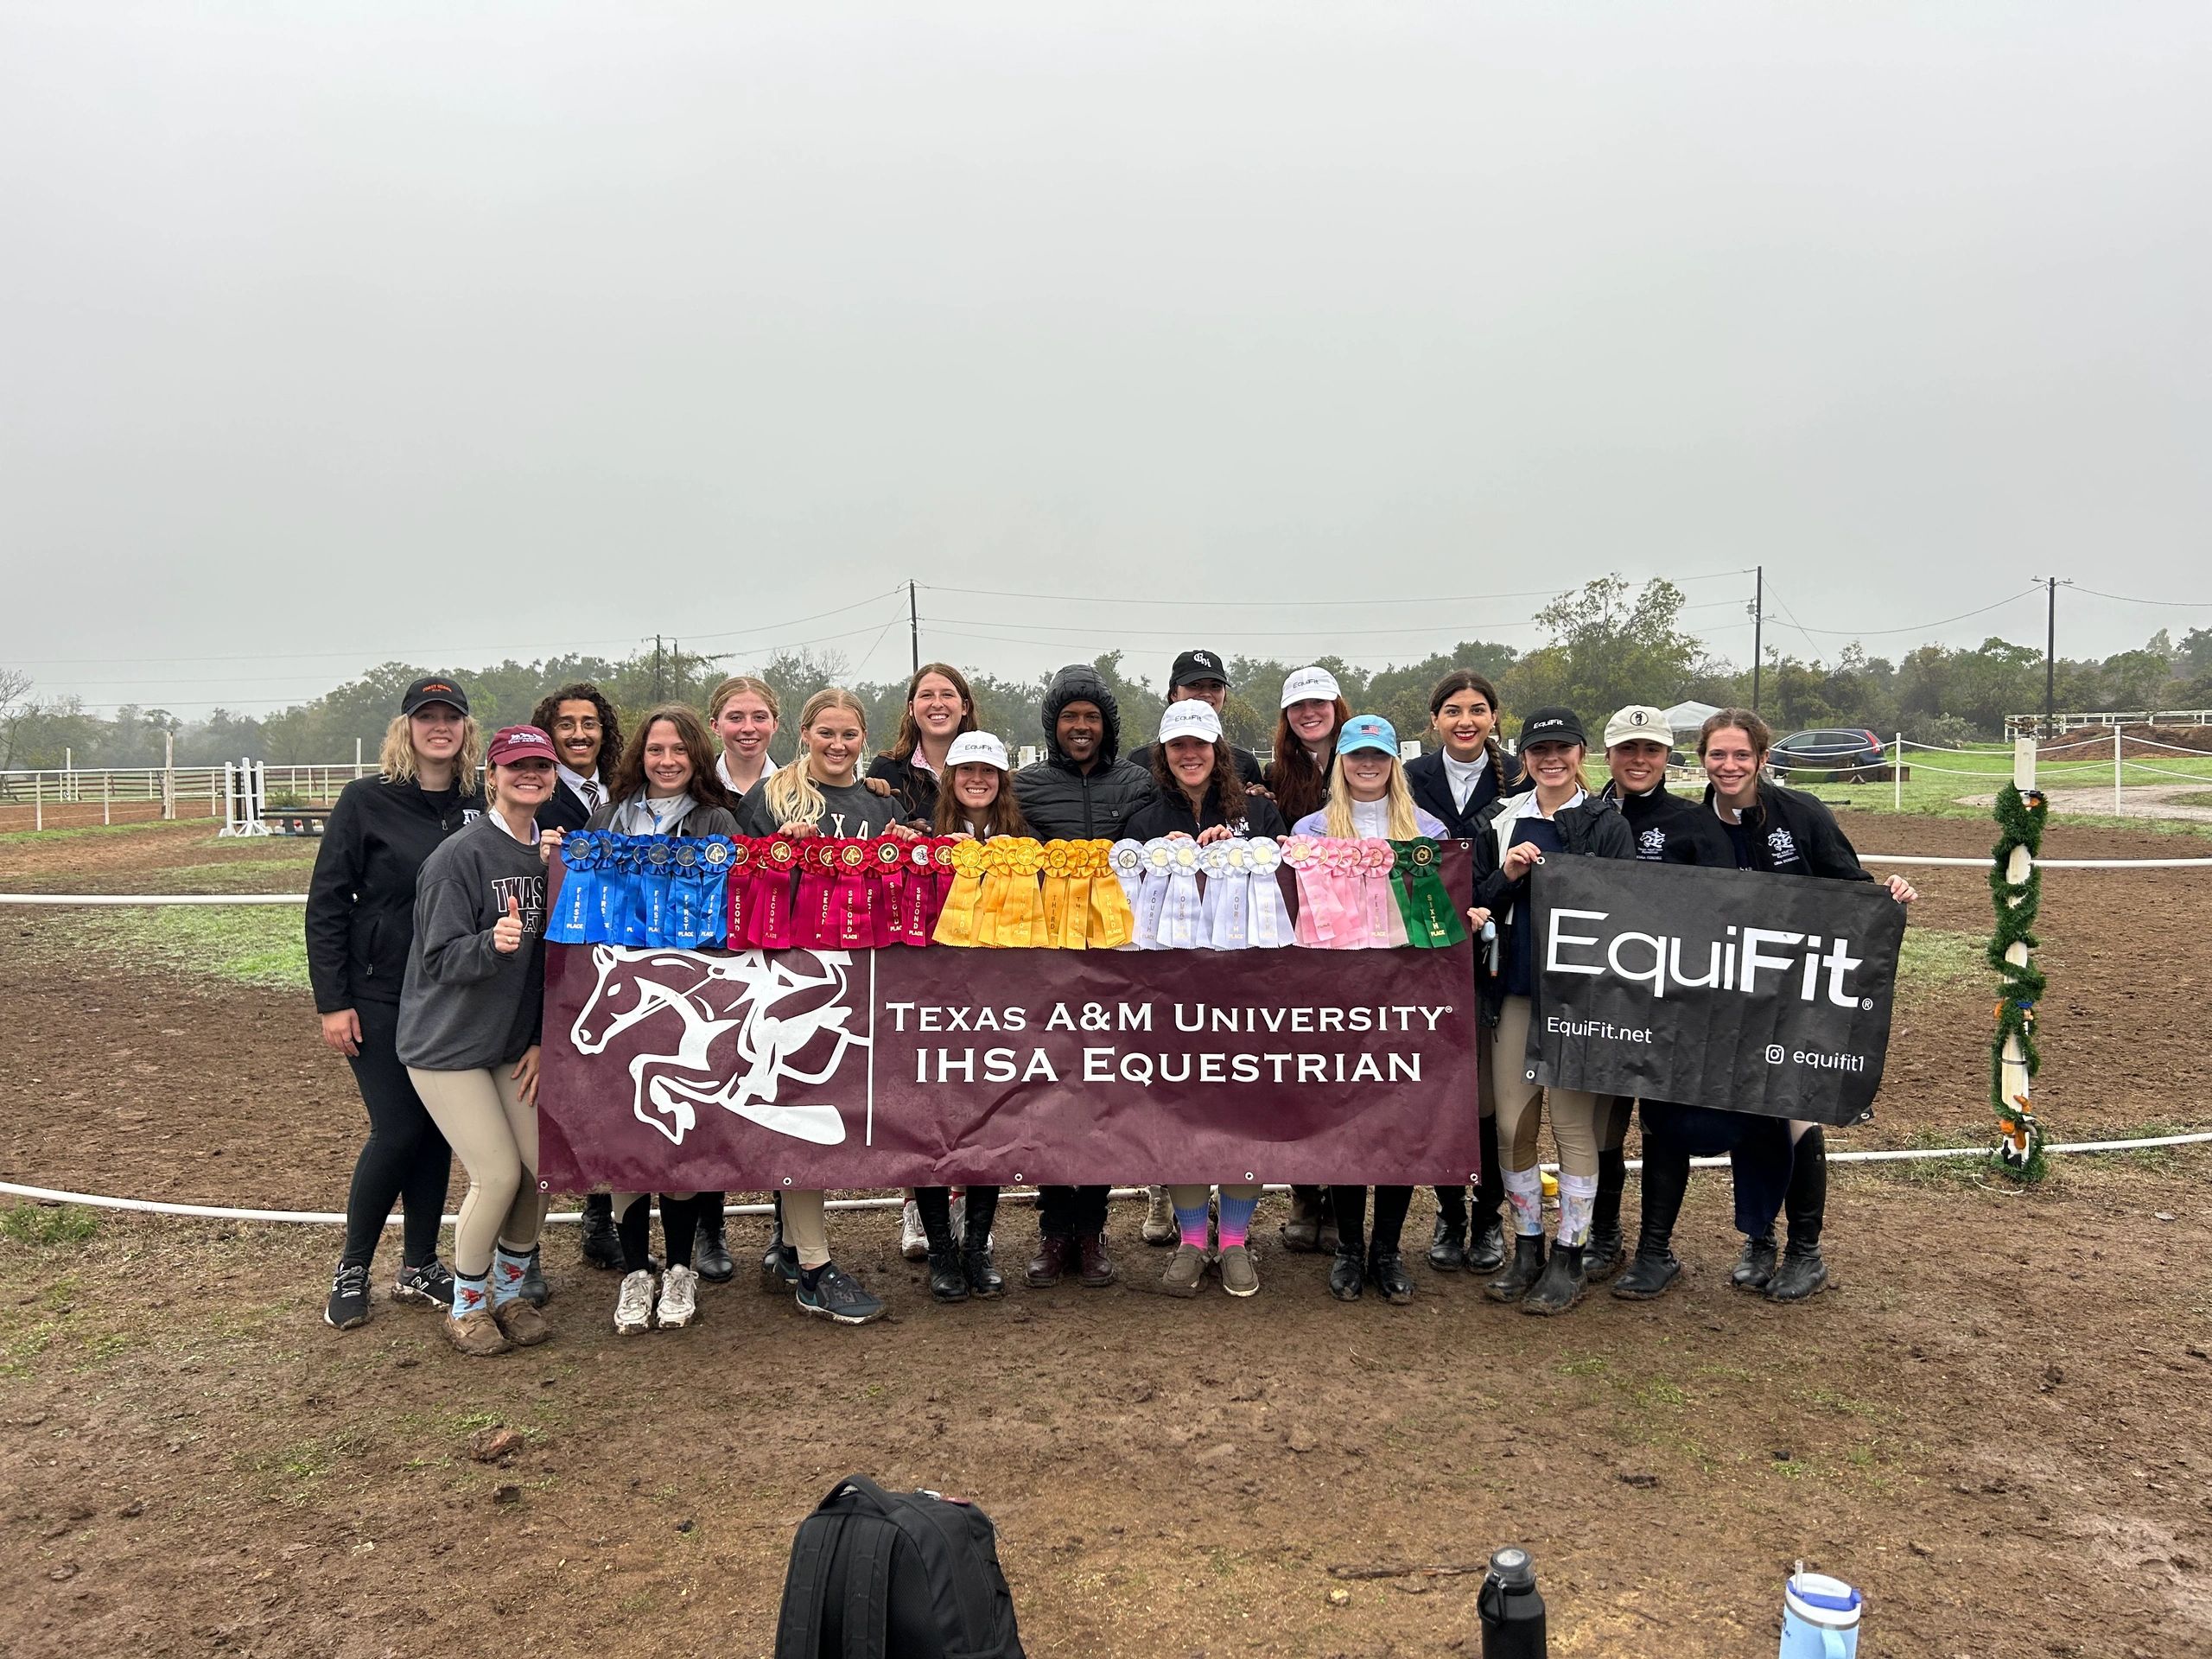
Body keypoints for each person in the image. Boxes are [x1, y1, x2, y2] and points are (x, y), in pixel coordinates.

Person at [1680, 708, 1917, 1303]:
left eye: (1740, 755)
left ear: (1762, 759)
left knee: (1795, 1114)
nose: (1728, 766)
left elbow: (1848, 886)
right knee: (1748, 1114)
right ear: (1703, 759)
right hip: (1728, 997)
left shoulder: (1803, 813)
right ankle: (1758, 1239)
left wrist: (1888, 895)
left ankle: (1805, 1251)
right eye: (1717, 755)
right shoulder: (1692, 825)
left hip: (1799, 995)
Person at [734, 687, 920, 1324]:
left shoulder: (876, 802)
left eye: (849, 735)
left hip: (861, 980)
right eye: (826, 733)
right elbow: (742, 888)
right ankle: (814, 1268)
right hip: (789, 976)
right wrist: (778, 857)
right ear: (805, 734)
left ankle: (789, 1247)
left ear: (863, 739)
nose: (838, 745)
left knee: (840, 1113)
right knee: (802, 1114)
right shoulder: (769, 799)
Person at [308, 677, 484, 1332]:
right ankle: (352, 1265)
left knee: (438, 1128)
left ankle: (419, 1264)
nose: (440, 727)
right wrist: (334, 1001)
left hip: (449, 994)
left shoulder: (480, 800)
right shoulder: (366, 801)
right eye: (427, 717)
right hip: (379, 992)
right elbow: (328, 903)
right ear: (406, 727)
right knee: (398, 1127)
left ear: (467, 728)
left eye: (452, 717)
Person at [395, 724, 562, 1357]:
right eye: (517, 766)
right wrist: (489, 945)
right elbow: (436, 958)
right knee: (494, 1176)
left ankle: (511, 1292)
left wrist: (543, 1038)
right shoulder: (459, 857)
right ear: (492, 775)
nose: (531, 776)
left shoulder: (548, 860)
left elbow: (559, 963)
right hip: (447, 1044)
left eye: (541, 767)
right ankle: (467, 1305)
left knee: (541, 1171)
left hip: (509, 1045)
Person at [575, 704, 742, 1332]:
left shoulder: (716, 819)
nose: (666, 761)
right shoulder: (608, 819)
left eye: (677, 750)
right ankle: (634, 1272)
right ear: (638, 757)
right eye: (654, 751)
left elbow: (728, 911)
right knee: (625, 1146)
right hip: (621, 1002)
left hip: (682, 1000)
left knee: (677, 1141)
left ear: (696, 755)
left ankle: (679, 1270)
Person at [1468, 707, 1635, 1316]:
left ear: (1581, 754)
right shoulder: (1499, 819)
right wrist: (1508, 876)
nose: (1551, 759)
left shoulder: (1605, 823)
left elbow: (1629, 905)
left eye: (1563, 749)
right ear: (1525, 758)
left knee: (1571, 1127)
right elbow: (1476, 900)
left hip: (1579, 999)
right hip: (1513, 990)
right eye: (1540, 751)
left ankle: (1571, 1252)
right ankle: (1528, 1246)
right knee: (1514, 1126)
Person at [1123, 700, 1290, 1296]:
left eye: (1200, 744)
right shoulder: (1141, 818)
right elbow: (1120, 906)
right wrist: (1163, 861)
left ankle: (1236, 1240)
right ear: (1163, 756)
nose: (1189, 755)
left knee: (1245, 1110)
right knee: (1180, 1112)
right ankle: (1194, 1240)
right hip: (1168, 994)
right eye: (1177, 747)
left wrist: (1227, 858)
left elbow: (1288, 889)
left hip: (1247, 993)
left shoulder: (1262, 814)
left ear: (1218, 749)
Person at [1288, 715, 1449, 1306]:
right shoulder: (1310, 829)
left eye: (1378, 756)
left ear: (1393, 763)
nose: (1367, 766)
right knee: (1350, 1126)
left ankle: (1387, 1249)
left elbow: (1438, 920)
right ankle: (1350, 1248)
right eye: (1357, 755)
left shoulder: (1427, 829)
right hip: (1338, 999)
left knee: (1399, 1128)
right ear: (1342, 761)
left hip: (1404, 999)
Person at [1012, 664, 1157, 1290]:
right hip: (1047, 958)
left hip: (1116, 959)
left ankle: (1093, 1230)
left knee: (1101, 1094)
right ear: (1054, 724)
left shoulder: (1138, 783)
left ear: (1107, 725)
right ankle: (1053, 1231)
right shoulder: (1027, 787)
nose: (1080, 727)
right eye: (1070, 717)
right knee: (1046, 1093)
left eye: (1091, 717)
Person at [1404, 670, 1527, 1277]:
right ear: (1435, 720)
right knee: (1439, 1090)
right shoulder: (1409, 780)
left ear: (1494, 718)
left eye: (1478, 710)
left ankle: (1488, 1217)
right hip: (1423, 955)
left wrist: (1492, 897)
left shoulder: (1522, 784)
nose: (1466, 721)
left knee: (1485, 1095)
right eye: (1453, 710)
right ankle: (1450, 1211)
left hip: (1490, 952)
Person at [909, 729, 1027, 1303]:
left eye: (987, 772)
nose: (976, 781)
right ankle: (939, 1250)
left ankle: (977, 1247)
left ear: (1002, 779)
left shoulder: (1025, 842)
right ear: (949, 779)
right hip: (933, 999)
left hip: (1001, 1001)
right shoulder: (921, 840)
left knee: (990, 1124)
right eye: (965, 772)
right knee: (929, 1121)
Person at [528, 681, 627, 1271]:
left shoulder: (619, 795)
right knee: (541, 1105)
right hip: (550, 961)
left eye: (589, 724)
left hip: (610, 958)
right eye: (567, 724)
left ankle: (599, 1218)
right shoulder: (537, 795)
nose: (579, 734)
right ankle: (526, 1247)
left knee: (606, 1093)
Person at [1266, 664, 1352, 1255]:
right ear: (1288, 719)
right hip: (1301, 937)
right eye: (1298, 707)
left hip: (1358, 937)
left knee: (1346, 1069)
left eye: (1318, 703)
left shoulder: (1370, 760)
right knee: (1298, 1067)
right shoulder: (1275, 777)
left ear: (1336, 706)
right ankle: (1304, 1193)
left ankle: (1344, 1192)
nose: (1309, 714)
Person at [1126, 648, 1266, 788]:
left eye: (1215, 686)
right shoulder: (1141, 760)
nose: (1206, 693)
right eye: (1194, 685)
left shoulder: (1244, 763)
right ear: (1174, 693)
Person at [868, 662, 978, 825]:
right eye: (927, 695)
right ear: (911, 708)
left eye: (947, 695)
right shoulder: (886, 770)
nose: (937, 704)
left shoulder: (988, 772)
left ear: (965, 707)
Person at [709, 674, 781, 799]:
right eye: (735, 718)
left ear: (774, 724)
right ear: (716, 726)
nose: (748, 728)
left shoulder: (796, 791)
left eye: (759, 717)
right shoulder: (696, 787)